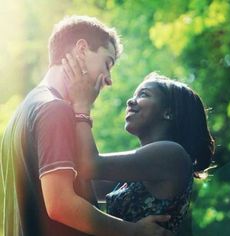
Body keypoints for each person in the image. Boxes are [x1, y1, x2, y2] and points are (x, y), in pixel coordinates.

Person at [0, 16, 173, 236]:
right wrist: (134, 231)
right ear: (81, 49)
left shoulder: (21, 115)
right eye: (107, 63)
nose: (109, 79)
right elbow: (60, 204)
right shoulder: (54, 109)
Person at [62, 57, 215, 234]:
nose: (130, 101)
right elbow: (80, 181)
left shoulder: (172, 154)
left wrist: (82, 106)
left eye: (144, 95)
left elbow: (88, 165)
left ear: (169, 113)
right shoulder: (135, 173)